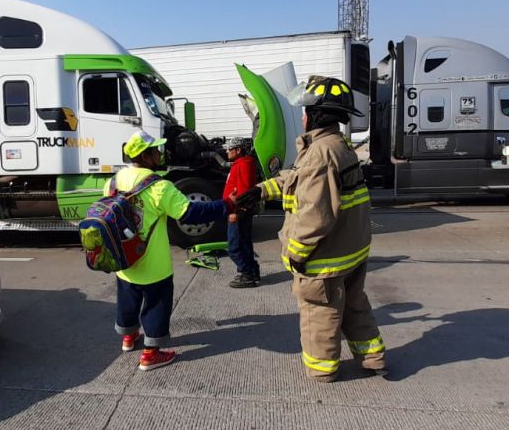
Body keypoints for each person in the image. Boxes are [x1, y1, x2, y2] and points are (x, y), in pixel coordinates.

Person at [236, 76, 385, 382]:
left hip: (326, 256)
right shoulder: (334, 146)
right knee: (355, 304)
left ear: (316, 114)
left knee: (320, 311)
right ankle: (372, 357)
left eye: (305, 111)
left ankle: (322, 370)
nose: (302, 116)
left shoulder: (319, 154)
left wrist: (295, 252)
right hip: (350, 249)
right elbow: (298, 180)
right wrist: (262, 190)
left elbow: (316, 214)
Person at [110, 130, 233, 371]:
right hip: (153, 264)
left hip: (125, 258)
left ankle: (128, 337)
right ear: (145, 157)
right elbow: (191, 213)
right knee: (156, 303)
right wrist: (226, 205)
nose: (159, 153)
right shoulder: (159, 187)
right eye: (155, 150)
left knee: (128, 297)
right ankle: (150, 354)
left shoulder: (114, 180)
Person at [223, 137, 261, 288]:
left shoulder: (243, 165)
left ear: (238, 150)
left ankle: (246, 274)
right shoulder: (241, 164)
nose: (227, 151)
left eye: (230, 149)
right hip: (240, 211)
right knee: (244, 243)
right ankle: (252, 270)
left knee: (234, 247)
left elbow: (244, 190)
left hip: (238, 212)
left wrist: (236, 211)